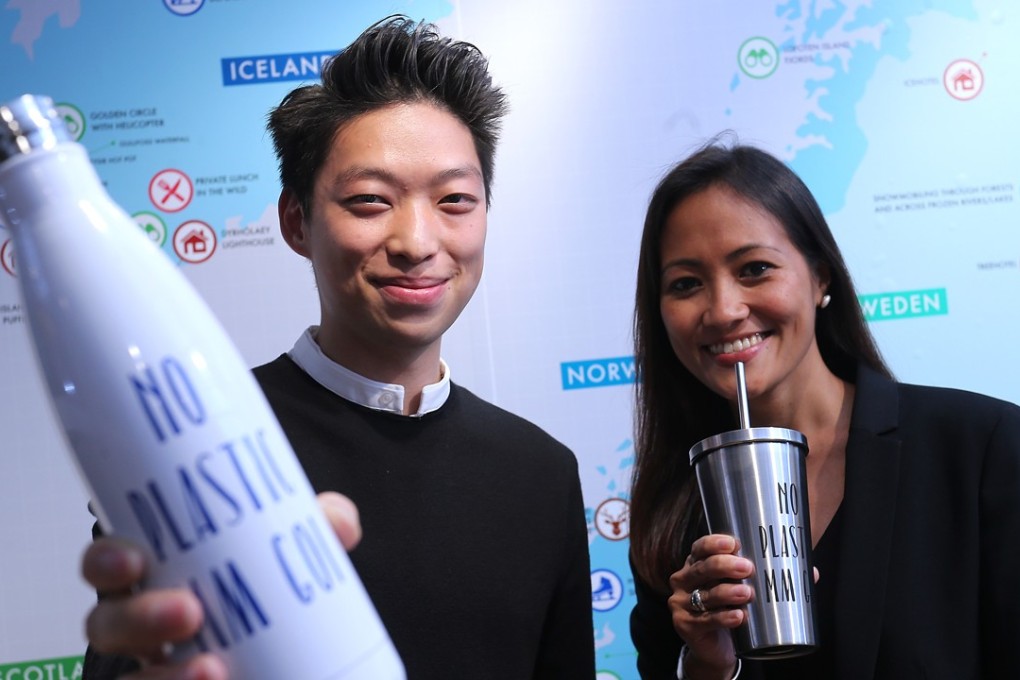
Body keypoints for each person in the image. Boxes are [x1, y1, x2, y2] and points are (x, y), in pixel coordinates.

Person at [81, 16, 595, 680]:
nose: (416, 240)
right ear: (297, 221)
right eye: (370, 200)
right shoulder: (198, 449)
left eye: (455, 200)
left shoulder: (541, 473)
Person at [627, 140, 1020, 679]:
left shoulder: (983, 448)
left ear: (821, 277)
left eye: (755, 268)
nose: (723, 310)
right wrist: (707, 664)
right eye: (686, 284)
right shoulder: (673, 503)